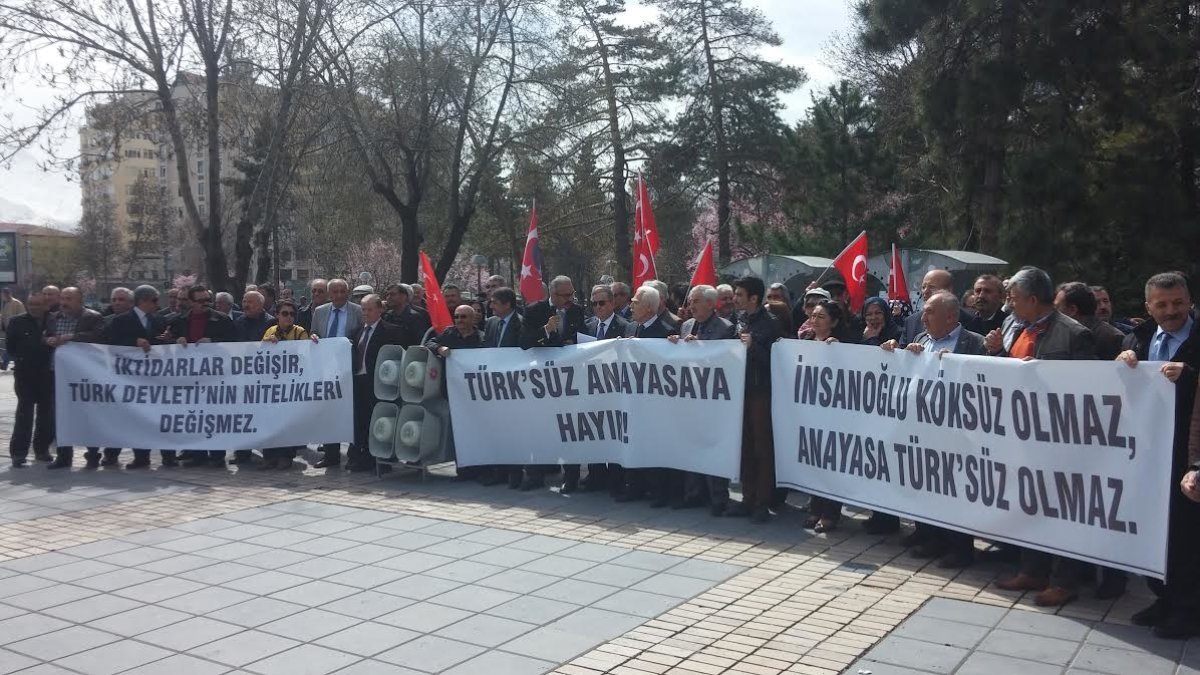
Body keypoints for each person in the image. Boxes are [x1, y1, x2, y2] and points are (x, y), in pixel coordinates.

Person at [989, 267, 1097, 607]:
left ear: (1033, 299)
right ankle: (1032, 569)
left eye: (1014, 298)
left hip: (1061, 440)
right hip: (1024, 435)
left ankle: (1064, 581)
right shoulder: (1018, 327)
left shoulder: (1074, 334)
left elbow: (1087, 390)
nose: (1010, 304)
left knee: (1063, 510)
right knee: (1030, 503)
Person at [1118, 271, 1200, 637]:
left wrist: (1191, 374)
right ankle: (1164, 598)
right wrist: (1119, 362)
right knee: (1155, 530)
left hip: (1188, 454)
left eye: (1179, 302)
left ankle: (1189, 610)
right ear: (1148, 307)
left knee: (1188, 536)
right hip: (1147, 454)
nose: (1172, 311)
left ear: (1190, 301)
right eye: (1162, 304)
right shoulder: (1137, 338)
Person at [880, 291, 985, 566]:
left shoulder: (974, 343)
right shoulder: (921, 339)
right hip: (921, 426)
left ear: (950, 317)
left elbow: (987, 382)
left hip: (957, 430)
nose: (922, 318)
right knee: (924, 483)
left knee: (954, 489)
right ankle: (930, 537)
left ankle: (960, 549)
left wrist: (958, 365)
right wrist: (901, 351)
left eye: (929, 312)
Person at [672, 285, 736, 514]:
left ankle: (718, 497)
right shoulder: (686, 325)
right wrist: (674, 344)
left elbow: (726, 361)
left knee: (713, 445)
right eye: (690, 301)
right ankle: (693, 493)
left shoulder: (726, 328)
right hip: (690, 395)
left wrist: (700, 346)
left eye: (696, 301)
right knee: (691, 443)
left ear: (711, 303)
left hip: (714, 398)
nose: (691, 305)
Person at [517, 276, 585, 489]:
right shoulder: (534, 310)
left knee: (569, 428)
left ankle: (571, 477)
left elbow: (584, 337)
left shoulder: (576, 311)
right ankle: (535, 475)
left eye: (572, 294)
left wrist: (573, 343)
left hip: (570, 380)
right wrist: (546, 330)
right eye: (566, 295)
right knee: (539, 427)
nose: (570, 299)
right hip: (543, 381)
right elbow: (524, 342)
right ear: (553, 295)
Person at [562, 284, 630, 494]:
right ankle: (596, 475)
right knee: (595, 432)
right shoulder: (587, 326)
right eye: (594, 304)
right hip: (591, 389)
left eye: (602, 303)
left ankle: (616, 480)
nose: (598, 307)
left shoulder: (625, 326)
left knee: (614, 433)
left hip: (615, 390)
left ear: (612, 303)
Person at [615, 285, 679, 503]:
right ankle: (634, 486)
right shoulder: (630, 328)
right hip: (632, 398)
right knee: (633, 440)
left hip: (656, 400)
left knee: (655, 442)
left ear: (649, 308)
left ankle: (658, 490)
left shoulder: (667, 331)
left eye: (635, 302)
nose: (631, 306)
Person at [167, 285, 237, 468]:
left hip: (215, 378)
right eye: (201, 301)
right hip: (188, 378)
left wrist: (213, 342)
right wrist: (175, 340)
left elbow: (235, 344)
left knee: (214, 417)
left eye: (208, 300)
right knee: (194, 417)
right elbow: (164, 343)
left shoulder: (222, 320)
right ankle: (197, 454)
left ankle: (217, 455)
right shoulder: (178, 321)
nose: (206, 303)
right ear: (190, 302)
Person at [797, 300, 851, 531]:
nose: (815, 320)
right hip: (810, 414)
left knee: (831, 463)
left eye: (821, 317)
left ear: (834, 322)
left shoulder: (840, 345)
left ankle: (830, 513)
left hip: (834, 416)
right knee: (814, 462)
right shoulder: (806, 342)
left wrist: (839, 351)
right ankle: (815, 508)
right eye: (813, 316)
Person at [106, 285, 172, 468]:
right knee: (138, 418)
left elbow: (163, 344)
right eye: (154, 300)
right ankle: (141, 457)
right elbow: (113, 343)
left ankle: (168, 456)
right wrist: (134, 342)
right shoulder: (121, 320)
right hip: (132, 378)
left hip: (156, 377)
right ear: (143, 300)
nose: (157, 304)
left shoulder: (159, 319)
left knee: (162, 417)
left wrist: (168, 339)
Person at [44, 287, 106, 469]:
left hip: (83, 376)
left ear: (80, 301)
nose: (64, 303)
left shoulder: (92, 317)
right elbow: (45, 336)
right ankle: (63, 456)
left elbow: (99, 336)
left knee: (88, 414)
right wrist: (47, 340)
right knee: (60, 416)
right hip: (58, 375)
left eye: (69, 299)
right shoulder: (53, 318)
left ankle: (93, 454)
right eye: (63, 298)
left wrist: (73, 337)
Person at [347, 294, 405, 472]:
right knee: (361, 421)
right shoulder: (356, 331)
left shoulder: (392, 331)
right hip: (359, 381)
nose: (365, 313)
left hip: (380, 384)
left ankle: (381, 459)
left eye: (370, 309)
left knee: (379, 421)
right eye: (363, 309)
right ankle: (362, 456)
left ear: (380, 310)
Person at [260, 299, 317, 470]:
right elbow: (259, 354)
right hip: (272, 384)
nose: (289, 317)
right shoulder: (270, 331)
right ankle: (269, 456)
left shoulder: (300, 332)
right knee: (270, 421)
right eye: (285, 313)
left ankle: (286, 456)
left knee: (287, 422)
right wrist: (266, 343)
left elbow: (306, 354)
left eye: (292, 314)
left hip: (291, 385)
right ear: (277, 315)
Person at [477, 287, 524, 488]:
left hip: (514, 387)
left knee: (514, 432)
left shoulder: (521, 324)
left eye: (495, 302)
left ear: (507, 304)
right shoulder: (491, 323)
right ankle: (500, 471)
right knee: (497, 430)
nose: (491, 306)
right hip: (494, 386)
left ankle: (516, 473)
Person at [7, 293, 53, 466]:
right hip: (25, 374)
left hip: (47, 374)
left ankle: (42, 450)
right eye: (31, 304)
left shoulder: (53, 321)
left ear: (45, 305)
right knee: (24, 414)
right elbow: (11, 347)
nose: (34, 307)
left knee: (45, 414)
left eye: (38, 304)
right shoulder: (16, 322)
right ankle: (18, 453)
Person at [1056, 281, 1125, 360]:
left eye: (1057, 307)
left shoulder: (1112, 338)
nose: (1054, 313)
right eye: (1097, 302)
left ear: (1072, 310)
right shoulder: (1058, 335)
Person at [382, 283, 432, 347]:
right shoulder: (387, 316)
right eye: (387, 295)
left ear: (404, 296)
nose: (388, 297)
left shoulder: (415, 318)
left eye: (392, 294)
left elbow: (420, 343)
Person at [1, 286, 25, 371]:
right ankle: (16, 363)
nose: (1, 297)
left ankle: (4, 364)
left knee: (11, 346)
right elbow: (4, 316)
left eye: (2, 295)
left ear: (7, 294)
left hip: (16, 329)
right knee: (14, 347)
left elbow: (23, 315)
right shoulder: (6, 304)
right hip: (9, 329)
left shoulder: (16, 303)